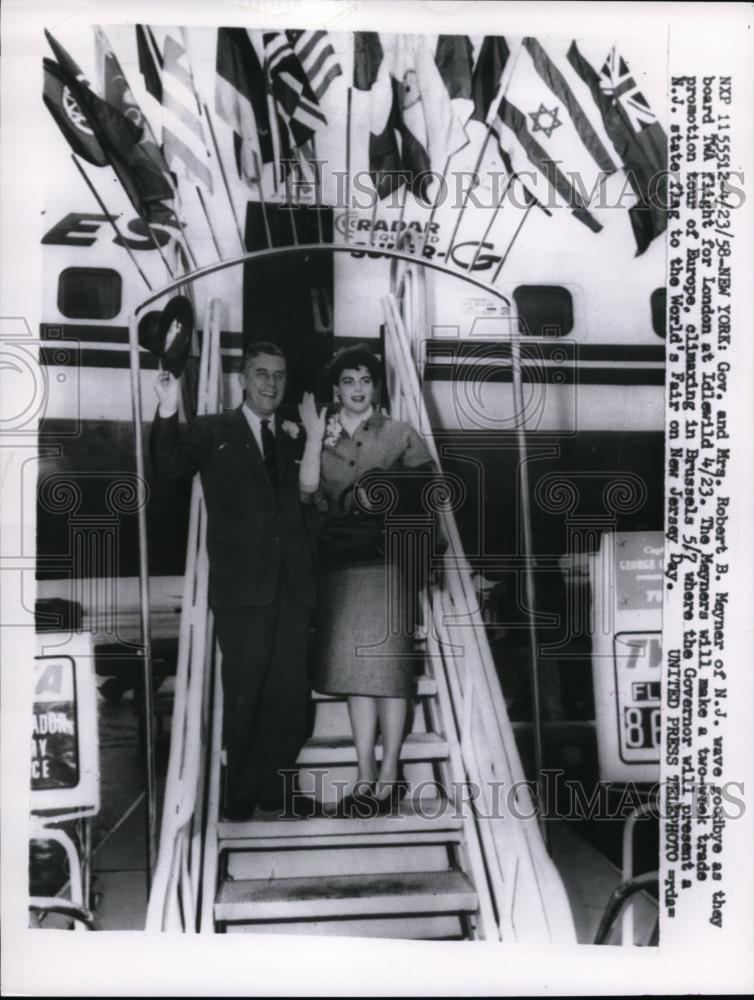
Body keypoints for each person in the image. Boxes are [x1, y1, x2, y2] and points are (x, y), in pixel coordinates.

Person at [151, 342, 318, 820]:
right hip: (242, 585)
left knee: (290, 693)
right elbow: (166, 470)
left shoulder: (293, 434)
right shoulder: (211, 429)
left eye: (279, 375)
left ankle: (277, 787)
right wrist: (167, 407)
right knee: (245, 687)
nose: (271, 383)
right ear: (242, 380)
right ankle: (240, 792)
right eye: (261, 374)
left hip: (293, 584)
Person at [298, 344, 435, 816]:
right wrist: (314, 439)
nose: (358, 390)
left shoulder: (401, 434)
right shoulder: (322, 439)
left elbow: (427, 498)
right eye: (348, 382)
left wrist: (422, 562)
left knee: (391, 672)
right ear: (335, 389)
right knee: (358, 674)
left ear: (376, 387)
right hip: (341, 565)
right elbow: (309, 494)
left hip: (389, 564)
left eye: (365, 381)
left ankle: (391, 772)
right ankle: (364, 773)